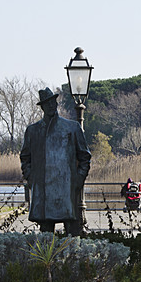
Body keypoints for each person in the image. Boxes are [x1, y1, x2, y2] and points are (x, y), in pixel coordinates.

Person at [20, 87, 92, 235]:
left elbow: (85, 157)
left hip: (66, 189)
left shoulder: (71, 128)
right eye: (47, 104)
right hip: (43, 191)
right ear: (43, 107)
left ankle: (74, 257)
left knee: (72, 236)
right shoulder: (33, 131)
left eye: (53, 102)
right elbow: (25, 157)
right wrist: (31, 177)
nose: (51, 106)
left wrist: (78, 179)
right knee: (46, 238)